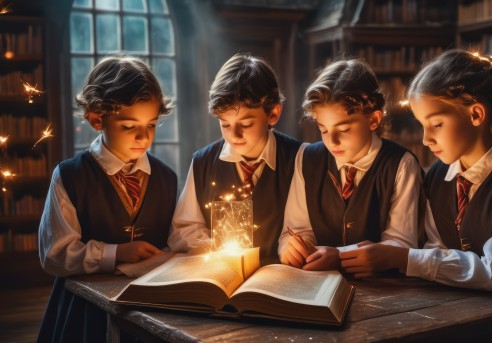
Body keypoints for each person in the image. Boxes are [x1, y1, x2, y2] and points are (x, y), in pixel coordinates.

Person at [340, 49, 492, 339]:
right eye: (422, 125)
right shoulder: (437, 178)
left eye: (436, 124)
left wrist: (401, 258)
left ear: (476, 114)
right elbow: (436, 250)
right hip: (473, 314)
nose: (426, 139)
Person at [37, 56, 177, 343]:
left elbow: (175, 242)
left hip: (151, 312)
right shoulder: (69, 176)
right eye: (129, 126)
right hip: (85, 315)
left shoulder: (167, 178)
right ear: (96, 119)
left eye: (150, 125)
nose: (143, 137)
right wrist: (116, 254)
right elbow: (54, 255)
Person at [279, 59, 424, 272]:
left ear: (373, 120)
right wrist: (289, 247)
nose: (332, 141)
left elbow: (401, 244)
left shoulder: (401, 164)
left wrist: (341, 256)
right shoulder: (307, 158)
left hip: (386, 291)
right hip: (316, 283)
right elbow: (296, 230)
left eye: (344, 129)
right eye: (324, 129)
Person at [168, 53, 302, 264]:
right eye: (225, 124)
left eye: (246, 124)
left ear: (273, 113)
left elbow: (304, 229)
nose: (234, 135)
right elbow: (183, 229)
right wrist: (209, 245)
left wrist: (292, 247)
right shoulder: (203, 162)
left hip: (279, 275)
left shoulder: (299, 158)